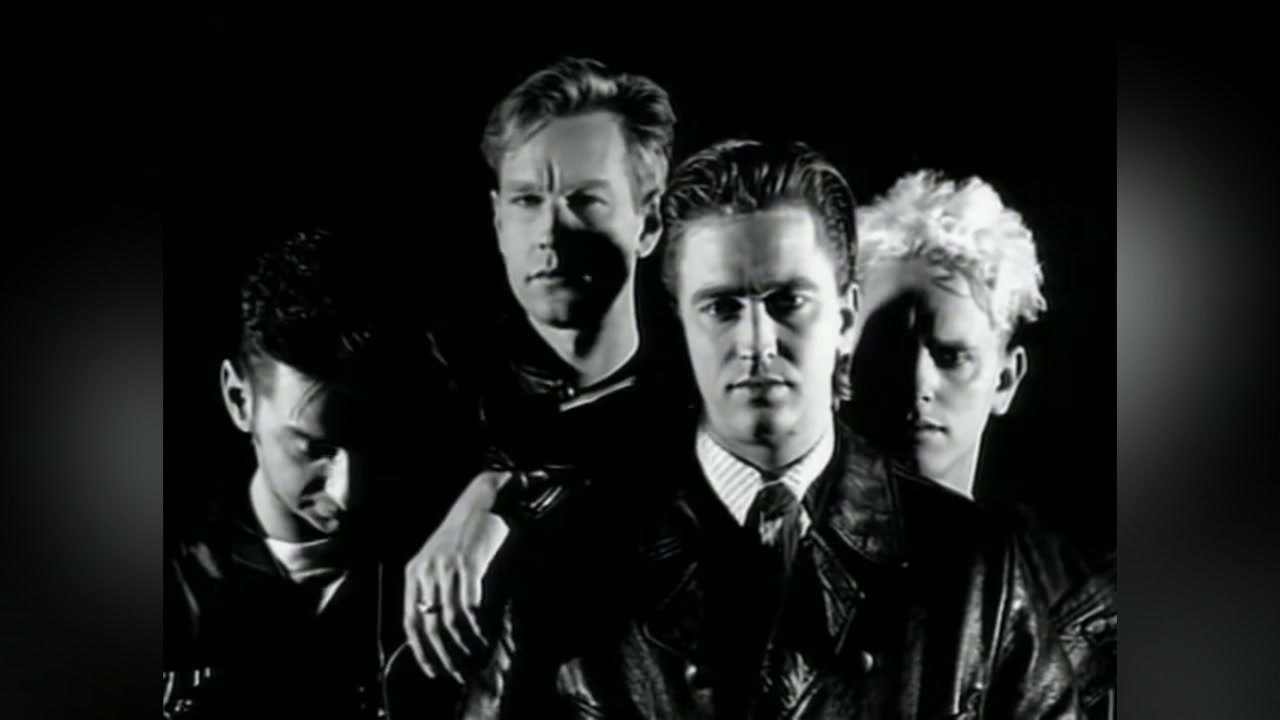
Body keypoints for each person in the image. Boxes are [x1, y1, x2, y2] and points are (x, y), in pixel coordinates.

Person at [462, 140, 1081, 718]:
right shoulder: (570, 562)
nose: (757, 343)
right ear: (680, 324)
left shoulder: (975, 567)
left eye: (788, 302)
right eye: (722, 306)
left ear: (845, 317)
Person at [398, 56, 680, 685]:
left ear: (650, 221)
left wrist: (509, 493)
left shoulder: (706, 408)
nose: (550, 231)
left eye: (586, 199)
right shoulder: (430, 407)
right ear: (498, 221)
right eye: (528, 200)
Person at [850, 170, 1116, 715]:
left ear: (1005, 379)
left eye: (951, 356)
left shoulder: (1081, 600)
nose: (918, 383)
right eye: (889, 347)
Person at [163, 228, 452, 718]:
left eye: (374, 442)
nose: (349, 491)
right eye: (316, 448)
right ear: (239, 400)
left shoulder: (450, 558)